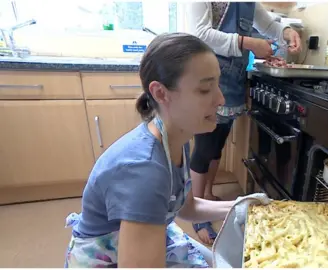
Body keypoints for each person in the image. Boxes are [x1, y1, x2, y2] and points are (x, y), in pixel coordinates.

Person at [63, 32, 270, 268]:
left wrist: (242, 205)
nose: (221, 99)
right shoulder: (144, 171)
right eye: (205, 89)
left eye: (218, 85)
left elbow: (186, 206)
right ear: (161, 93)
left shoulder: (176, 137)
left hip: (151, 237)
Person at [186, 2, 302, 245]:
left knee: (218, 144)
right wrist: (247, 43)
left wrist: (288, 32)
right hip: (210, 77)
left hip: (233, 80)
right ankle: (198, 214)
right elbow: (201, 34)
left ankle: (207, 194)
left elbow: (269, 25)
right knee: (205, 148)